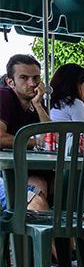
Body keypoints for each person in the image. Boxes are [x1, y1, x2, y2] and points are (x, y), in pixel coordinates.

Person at [0, 54, 52, 217]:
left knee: (47, 185)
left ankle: (25, 241)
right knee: (37, 201)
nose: (32, 83)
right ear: (10, 82)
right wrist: (34, 142)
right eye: (24, 77)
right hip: (4, 175)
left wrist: (38, 105)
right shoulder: (4, 96)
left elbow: (51, 137)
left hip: (23, 173)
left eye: (36, 78)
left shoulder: (35, 104)